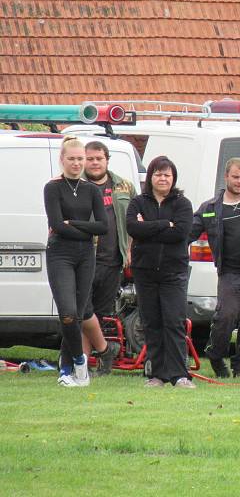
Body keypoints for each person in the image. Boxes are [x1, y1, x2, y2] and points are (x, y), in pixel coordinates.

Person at [189, 157, 240, 378]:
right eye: (235, 177)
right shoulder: (209, 208)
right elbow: (187, 232)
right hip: (230, 273)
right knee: (226, 316)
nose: (239, 182)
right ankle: (216, 356)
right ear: (226, 176)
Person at [43, 136, 108, 387]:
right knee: (68, 313)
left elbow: (103, 226)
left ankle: (68, 369)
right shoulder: (53, 187)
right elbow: (57, 226)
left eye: (80, 158)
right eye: (72, 158)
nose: (77, 163)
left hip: (85, 255)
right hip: (60, 253)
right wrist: (84, 228)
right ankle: (79, 361)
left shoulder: (91, 190)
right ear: (62, 159)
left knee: (79, 314)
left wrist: (77, 225)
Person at [126, 156, 195, 388]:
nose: (162, 178)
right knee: (151, 322)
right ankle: (158, 374)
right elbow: (133, 228)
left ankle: (179, 375)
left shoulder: (182, 204)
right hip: (145, 271)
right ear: (151, 177)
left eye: (167, 174)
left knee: (174, 321)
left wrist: (149, 227)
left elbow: (181, 233)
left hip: (173, 271)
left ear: (173, 177)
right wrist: (165, 224)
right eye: (158, 174)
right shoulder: (137, 202)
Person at [80, 141, 135, 375]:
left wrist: (130, 250)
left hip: (113, 261)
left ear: (107, 160)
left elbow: (134, 221)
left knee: (101, 314)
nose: (94, 163)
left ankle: (97, 363)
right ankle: (84, 359)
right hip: (83, 259)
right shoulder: (75, 185)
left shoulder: (124, 186)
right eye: (89, 159)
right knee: (82, 311)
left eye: (98, 158)